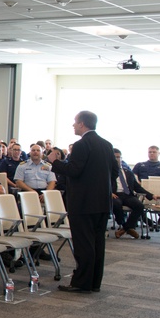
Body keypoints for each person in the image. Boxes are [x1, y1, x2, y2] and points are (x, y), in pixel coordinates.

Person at [51, 111, 118, 294]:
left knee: (83, 244)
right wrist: (102, 188)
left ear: (82, 124)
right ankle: (94, 282)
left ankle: (81, 282)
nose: (73, 125)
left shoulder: (82, 144)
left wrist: (55, 162)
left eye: (75, 122)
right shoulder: (106, 144)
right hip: (102, 202)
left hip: (83, 203)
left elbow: (74, 170)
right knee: (97, 243)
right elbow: (114, 172)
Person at [111, 148, 153, 239]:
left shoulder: (128, 172)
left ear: (121, 158)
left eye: (118, 157)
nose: (117, 159)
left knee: (139, 206)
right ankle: (125, 225)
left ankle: (125, 228)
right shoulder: (107, 172)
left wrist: (151, 195)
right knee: (116, 204)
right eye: (114, 157)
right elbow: (101, 185)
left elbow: (137, 187)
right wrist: (109, 193)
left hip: (128, 195)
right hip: (115, 194)